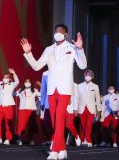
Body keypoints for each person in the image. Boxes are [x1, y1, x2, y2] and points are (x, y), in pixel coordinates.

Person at [21, 24, 87, 160]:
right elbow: (37, 66)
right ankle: (62, 148)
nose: (58, 34)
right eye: (56, 31)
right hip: (52, 88)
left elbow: (83, 65)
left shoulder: (72, 48)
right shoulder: (48, 49)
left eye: (61, 32)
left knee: (60, 117)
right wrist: (28, 53)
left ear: (66, 34)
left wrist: (80, 49)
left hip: (65, 89)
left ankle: (55, 150)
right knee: (54, 121)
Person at [0, 66, 19, 145]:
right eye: (4, 77)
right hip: (0, 106)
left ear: (9, 79)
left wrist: (14, 74)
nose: (5, 78)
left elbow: (17, 82)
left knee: (7, 124)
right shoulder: (0, 84)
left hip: (8, 106)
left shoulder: (12, 84)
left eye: (7, 77)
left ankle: (8, 139)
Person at [77, 69, 101, 147]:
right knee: (83, 125)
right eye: (86, 75)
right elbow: (77, 98)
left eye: (89, 75)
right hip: (81, 108)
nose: (87, 76)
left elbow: (97, 99)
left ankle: (88, 140)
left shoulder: (95, 86)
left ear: (92, 77)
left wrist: (99, 110)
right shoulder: (79, 86)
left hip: (91, 108)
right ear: (84, 76)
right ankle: (84, 139)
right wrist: (75, 109)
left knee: (89, 125)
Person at [15, 79, 41, 145]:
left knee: (32, 125)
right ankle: (19, 139)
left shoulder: (35, 90)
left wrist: (40, 86)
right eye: (25, 81)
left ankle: (31, 140)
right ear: (23, 83)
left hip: (31, 109)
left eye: (29, 82)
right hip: (22, 109)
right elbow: (14, 94)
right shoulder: (20, 90)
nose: (27, 83)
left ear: (31, 83)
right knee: (21, 125)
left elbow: (41, 96)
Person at [65, 82, 81, 146]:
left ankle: (76, 136)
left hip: (70, 108)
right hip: (61, 107)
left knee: (69, 125)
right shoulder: (60, 83)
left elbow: (76, 97)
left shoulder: (74, 85)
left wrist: (75, 108)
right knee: (59, 125)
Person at [40, 71, 53, 146]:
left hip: (58, 103)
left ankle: (54, 140)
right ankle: (48, 139)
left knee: (56, 123)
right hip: (48, 103)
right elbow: (43, 89)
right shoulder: (45, 74)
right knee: (46, 122)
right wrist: (42, 103)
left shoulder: (61, 70)